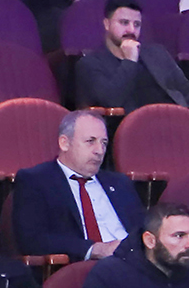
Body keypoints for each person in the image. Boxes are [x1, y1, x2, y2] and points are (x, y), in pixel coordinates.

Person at [10, 110, 141, 264]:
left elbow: (142, 229)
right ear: (64, 143)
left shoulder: (120, 183)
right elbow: (32, 240)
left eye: (104, 143)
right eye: (90, 141)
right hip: (81, 268)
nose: (99, 151)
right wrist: (94, 249)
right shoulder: (36, 180)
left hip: (133, 264)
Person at [72, 0, 189, 114]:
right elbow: (111, 101)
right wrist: (130, 61)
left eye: (137, 25)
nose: (131, 30)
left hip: (173, 119)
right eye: (124, 23)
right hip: (129, 126)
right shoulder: (90, 64)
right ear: (107, 24)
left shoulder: (157, 53)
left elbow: (186, 87)